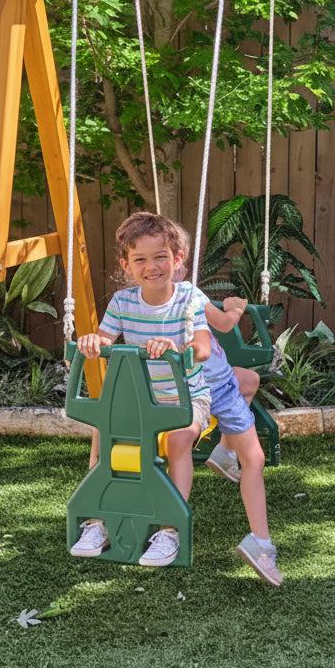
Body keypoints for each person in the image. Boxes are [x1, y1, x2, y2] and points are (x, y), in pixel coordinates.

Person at [70, 212, 211, 567]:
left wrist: (177, 349)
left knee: (179, 440)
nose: (152, 267)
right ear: (126, 265)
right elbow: (102, 339)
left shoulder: (189, 299)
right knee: (103, 435)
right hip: (139, 399)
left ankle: (169, 527)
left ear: (177, 260)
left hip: (186, 397)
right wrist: (90, 341)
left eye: (160, 256)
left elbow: (203, 348)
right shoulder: (122, 301)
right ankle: (98, 520)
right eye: (141, 260)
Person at [199, 295, 282, 586]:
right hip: (208, 387)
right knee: (255, 459)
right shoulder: (186, 294)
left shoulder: (185, 293)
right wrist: (236, 309)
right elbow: (223, 324)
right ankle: (261, 544)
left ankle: (223, 451)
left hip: (220, 379)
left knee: (248, 380)